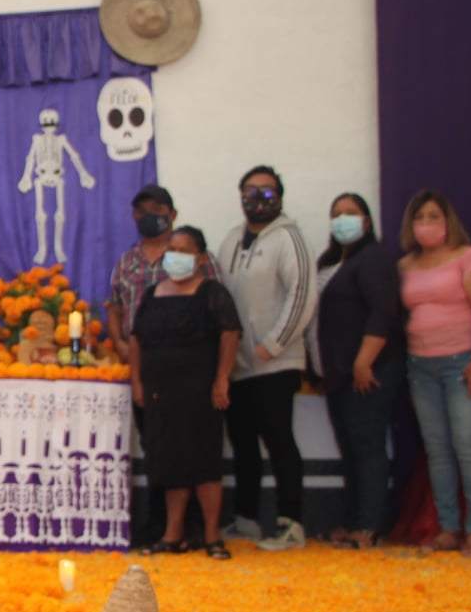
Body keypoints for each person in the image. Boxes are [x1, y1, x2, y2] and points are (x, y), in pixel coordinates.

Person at [106, 184, 216, 547]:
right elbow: (115, 308)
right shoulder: (128, 261)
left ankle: (198, 529)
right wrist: (122, 344)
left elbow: (218, 314)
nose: (147, 217)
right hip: (147, 368)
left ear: (172, 213)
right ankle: (160, 526)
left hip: (191, 370)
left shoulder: (197, 258)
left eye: (156, 209)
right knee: (156, 446)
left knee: (195, 447)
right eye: (140, 211)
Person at [216, 165, 316, 551]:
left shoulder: (289, 239)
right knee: (242, 444)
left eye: (268, 192)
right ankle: (246, 520)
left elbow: (303, 295)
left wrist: (273, 343)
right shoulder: (230, 240)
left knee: (278, 440)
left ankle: (291, 523)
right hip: (238, 366)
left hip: (274, 362)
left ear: (280, 198)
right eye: (251, 191)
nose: (258, 199)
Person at [398, 188, 471, 557]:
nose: (426, 224)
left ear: (448, 221)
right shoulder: (405, 266)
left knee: (469, 448)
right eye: (419, 218)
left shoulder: (469, 257)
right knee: (437, 450)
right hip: (420, 366)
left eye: (433, 217)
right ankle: (448, 528)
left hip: (464, 363)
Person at [130, 226, 241, 560]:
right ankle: (172, 533)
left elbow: (230, 333)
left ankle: (211, 535)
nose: (175, 256)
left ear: (200, 257)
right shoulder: (151, 294)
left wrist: (222, 378)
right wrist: (138, 382)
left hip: (201, 391)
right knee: (169, 461)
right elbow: (136, 339)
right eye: (171, 249)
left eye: (184, 250)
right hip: (161, 392)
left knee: (204, 460)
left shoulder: (212, 293)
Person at [308, 192, 404, 549]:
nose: (342, 219)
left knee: (368, 447)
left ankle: (370, 525)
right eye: (336, 214)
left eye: (351, 212)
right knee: (349, 449)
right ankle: (351, 521)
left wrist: (364, 360)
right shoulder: (329, 262)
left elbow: (383, 312)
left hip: (369, 370)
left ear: (366, 221)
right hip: (337, 375)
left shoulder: (374, 259)